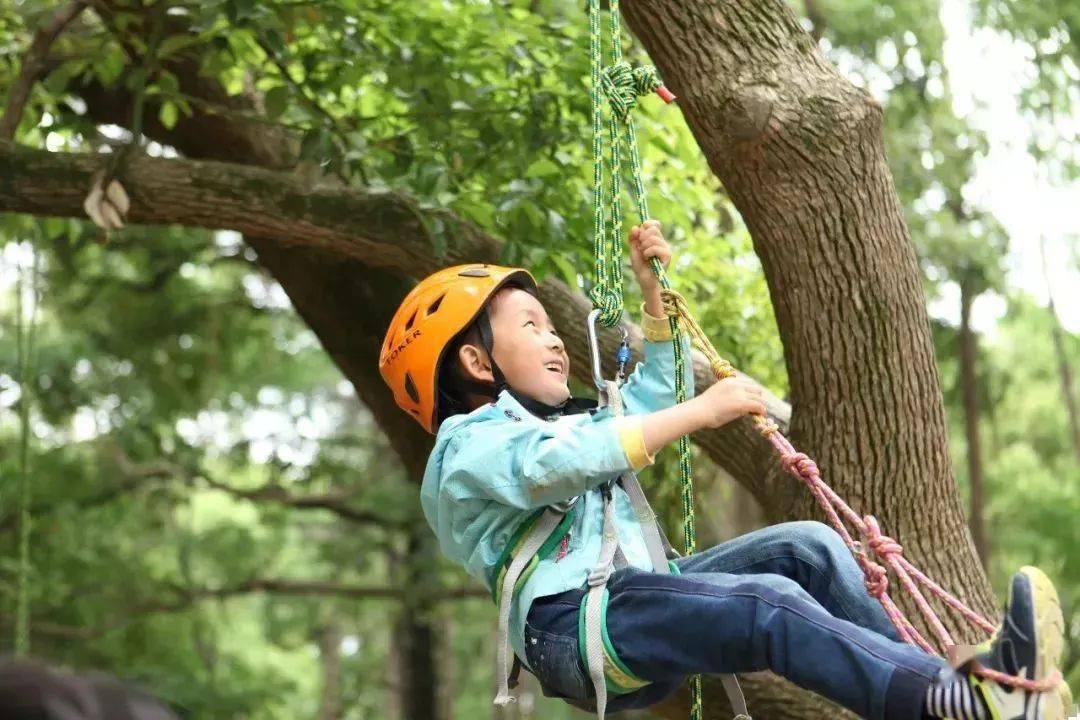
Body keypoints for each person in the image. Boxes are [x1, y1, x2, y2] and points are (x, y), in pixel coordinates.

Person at [379, 220, 1073, 720]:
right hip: (573, 627)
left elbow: (649, 401)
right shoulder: (467, 451)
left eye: (550, 325)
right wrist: (704, 413)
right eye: (531, 325)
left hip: (631, 597)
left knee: (808, 548)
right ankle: (953, 705)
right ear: (475, 362)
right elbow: (559, 465)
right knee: (764, 606)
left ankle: (953, 688)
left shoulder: (561, 423)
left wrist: (654, 299)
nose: (555, 334)